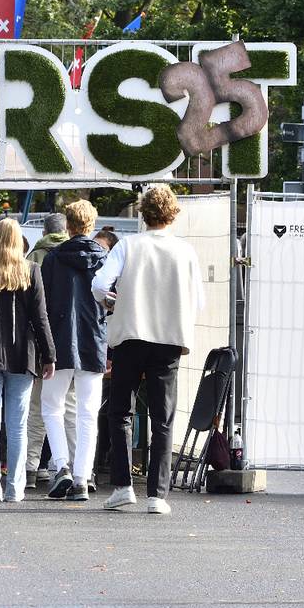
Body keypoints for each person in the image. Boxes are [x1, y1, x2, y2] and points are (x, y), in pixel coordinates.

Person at [94, 186, 204, 515]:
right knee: (162, 417)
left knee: (120, 411)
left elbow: (99, 284)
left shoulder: (128, 245)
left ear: (143, 213)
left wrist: (111, 302)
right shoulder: (185, 251)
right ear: (173, 214)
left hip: (131, 335)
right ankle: (157, 495)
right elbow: (198, 301)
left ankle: (123, 486)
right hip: (169, 340)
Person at [0, 218, 55, 505]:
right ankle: (15, 488)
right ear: (19, 241)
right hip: (23, 355)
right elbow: (40, 318)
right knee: (18, 424)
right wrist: (49, 355)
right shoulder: (31, 270)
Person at [39, 200, 107, 501]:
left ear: (68, 225)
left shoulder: (53, 259)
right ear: (91, 225)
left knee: (51, 406)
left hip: (59, 340)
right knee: (88, 413)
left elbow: (43, 305)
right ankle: (82, 477)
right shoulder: (103, 258)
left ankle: (61, 465)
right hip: (93, 340)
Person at [23, 213, 76, 488]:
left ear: (44, 231)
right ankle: (74, 468)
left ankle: (32, 467)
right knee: (69, 409)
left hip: (39, 344)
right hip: (69, 343)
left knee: (37, 408)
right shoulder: (74, 254)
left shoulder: (34, 257)